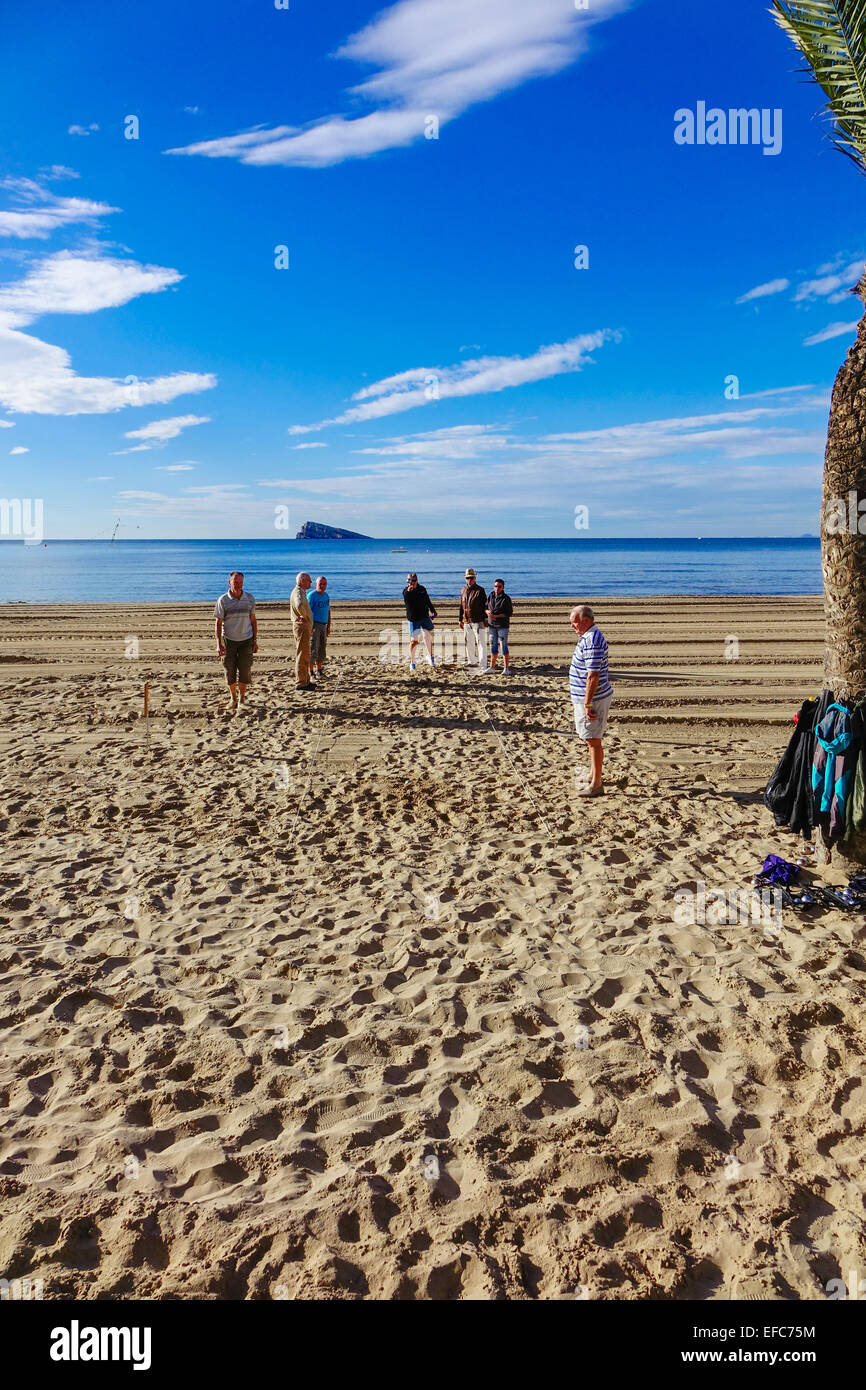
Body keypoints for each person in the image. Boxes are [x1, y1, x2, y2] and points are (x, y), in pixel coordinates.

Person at [569, 605, 614, 796]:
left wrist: (588, 704)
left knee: (594, 740)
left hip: (593, 700)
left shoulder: (593, 640)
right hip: (586, 698)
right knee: (590, 739)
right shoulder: (587, 637)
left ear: (586, 621)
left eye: (574, 622)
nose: (572, 626)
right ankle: (593, 773)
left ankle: (596, 784)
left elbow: (593, 676)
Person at [214, 570, 258, 713]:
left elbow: (253, 620)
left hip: (246, 639)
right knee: (229, 670)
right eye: (235, 582)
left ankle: (242, 699)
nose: (238, 585)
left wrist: (255, 640)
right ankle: (233, 698)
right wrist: (218, 644)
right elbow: (218, 623)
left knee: (245, 670)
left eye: (240, 582)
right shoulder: (223, 600)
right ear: (229, 582)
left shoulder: (249, 598)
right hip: (229, 640)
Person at [402, 572, 437, 672]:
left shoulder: (422, 589)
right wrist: (409, 592)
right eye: (409, 580)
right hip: (413, 619)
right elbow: (407, 599)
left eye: (413, 580)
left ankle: (430, 657)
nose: (411, 582)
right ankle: (412, 662)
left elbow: (427, 600)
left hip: (424, 617)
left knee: (427, 636)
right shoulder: (406, 591)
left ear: (416, 581)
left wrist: (433, 610)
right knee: (414, 641)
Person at [458, 567, 488, 674]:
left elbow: (485, 605)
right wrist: (460, 619)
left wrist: (485, 619)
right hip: (466, 620)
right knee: (468, 642)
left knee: (481, 643)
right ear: (465, 579)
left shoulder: (480, 590)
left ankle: (483, 664)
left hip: (478, 620)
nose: (469, 580)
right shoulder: (463, 590)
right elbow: (461, 606)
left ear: (475, 578)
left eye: (471, 578)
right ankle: (472, 660)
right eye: (467, 578)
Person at [290, 571, 316, 691]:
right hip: (302, 627)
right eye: (308, 580)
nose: (311, 582)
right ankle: (301, 682)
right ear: (302, 581)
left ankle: (305, 680)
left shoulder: (301, 592)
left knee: (305, 654)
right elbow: (299, 605)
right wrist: (304, 617)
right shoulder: (298, 592)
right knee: (302, 653)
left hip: (304, 627)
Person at [486, 578, 513, 675]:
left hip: (502, 626)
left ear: (503, 587)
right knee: (492, 645)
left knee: (503, 646)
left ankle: (506, 668)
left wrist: (497, 616)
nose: (497, 588)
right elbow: (485, 607)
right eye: (495, 586)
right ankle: (492, 667)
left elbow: (509, 613)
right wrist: (488, 612)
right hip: (492, 625)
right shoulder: (491, 596)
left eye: (499, 586)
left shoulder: (506, 598)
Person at [309, 575, 331, 678]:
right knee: (313, 647)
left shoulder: (326, 595)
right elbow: (307, 612)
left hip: (323, 625)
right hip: (315, 625)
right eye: (320, 584)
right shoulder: (312, 596)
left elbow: (328, 611)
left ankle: (319, 670)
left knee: (322, 648)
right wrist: (311, 627)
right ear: (316, 584)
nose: (322, 586)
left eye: (324, 584)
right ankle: (310, 671)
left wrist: (328, 626)